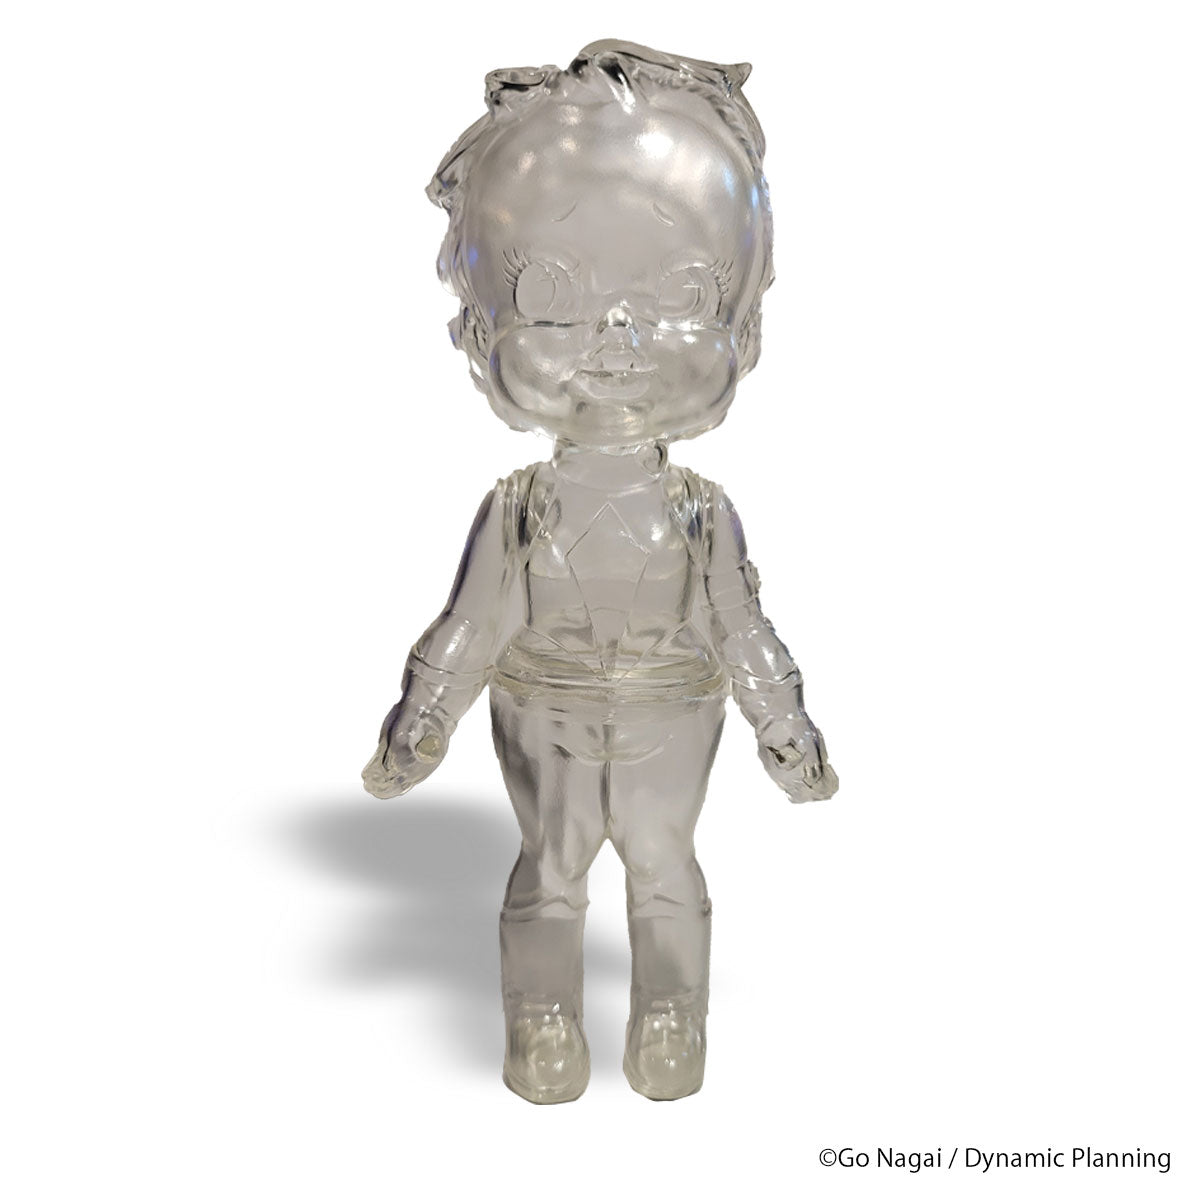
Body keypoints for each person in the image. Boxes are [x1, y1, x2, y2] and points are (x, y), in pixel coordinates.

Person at [363, 40, 838, 1104]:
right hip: (547, 711)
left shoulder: (699, 512)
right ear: (482, 324)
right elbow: (469, 625)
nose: (617, 335)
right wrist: (423, 717)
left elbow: (741, 626)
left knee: (665, 866)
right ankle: (541, 1016)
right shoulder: (519, 508)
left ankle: (671, 1012)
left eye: (678, 291)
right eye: (553, 292)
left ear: (741, 325)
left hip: (673, 711)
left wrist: (783, 718)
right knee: (551, 867)